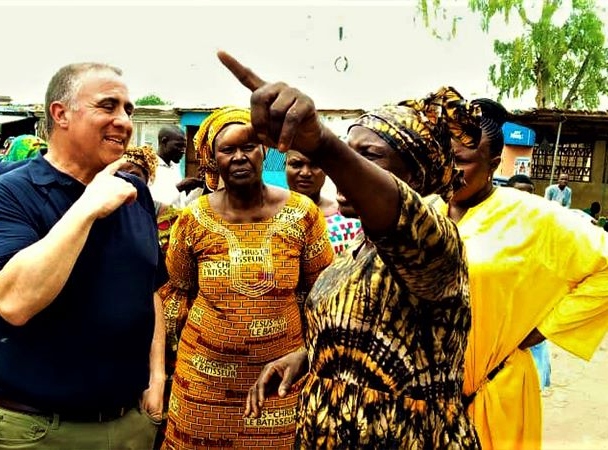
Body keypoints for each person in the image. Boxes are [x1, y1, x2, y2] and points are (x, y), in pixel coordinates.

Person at [218, 51, 480, 449]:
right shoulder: (357, 248)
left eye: (368, 156)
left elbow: (400, 217)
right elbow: (371, 326)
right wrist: (310, 357)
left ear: (414, 177)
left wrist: (324, 144)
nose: (346, 167)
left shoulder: (437, 244)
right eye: (348, 149)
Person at [0, 62, 166, 450]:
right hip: (39, 430)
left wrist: (157, 377)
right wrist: (86, 207)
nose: (124, 121)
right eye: (107, 106)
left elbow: (151, 290)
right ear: (60, 114)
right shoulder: (10, 193)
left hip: (130, 423)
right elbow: (15, 302)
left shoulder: (134, 192)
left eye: (128, 109)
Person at [158, 107, 334, 449]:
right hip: (202, 386)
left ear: (264, 151)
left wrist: (309, 354)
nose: (240, 157)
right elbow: (178, 291)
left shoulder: (302, 213)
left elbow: (323, 295)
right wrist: (158, 373)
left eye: (249, 146)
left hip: (279, 385)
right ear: (212, 158)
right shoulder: (193, 218)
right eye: (227, 150)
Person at [442, 98, 608, 449]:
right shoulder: (422, 210)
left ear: (493, 161)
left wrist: (542, 329)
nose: (449, 171)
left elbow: (604, 263)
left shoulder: (531, 216)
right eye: (444, 158)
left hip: (494, 393)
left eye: (461, 161)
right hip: (423, 404)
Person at [506, 174, 552, 390]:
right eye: (517, 195)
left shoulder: (545, 233)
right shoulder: (493, 230)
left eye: (529, 195)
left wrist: (543, 330)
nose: (524, 201)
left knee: (531, 390)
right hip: (499, 329)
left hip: (531, 330)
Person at [286, 150, 362, 255]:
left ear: (327, 170)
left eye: (315, 165)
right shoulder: (268, 214)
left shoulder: (349, 221)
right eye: (296, 165)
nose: (305, 173)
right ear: (285, 166)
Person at [117, 144, 178, 254]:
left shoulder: (166, 214)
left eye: (134, 175)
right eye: (120, 174)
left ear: (148, 179)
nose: (126, 179)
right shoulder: (102, 211)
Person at [151, 126, 203, 207]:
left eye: (184, 147)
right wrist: (180, 187)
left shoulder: (174, 167)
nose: (183, 151)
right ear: (164, 141)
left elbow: (182, 205)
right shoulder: (150, 168)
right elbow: (154, 206)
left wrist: (198, 188)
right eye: (178, 145)